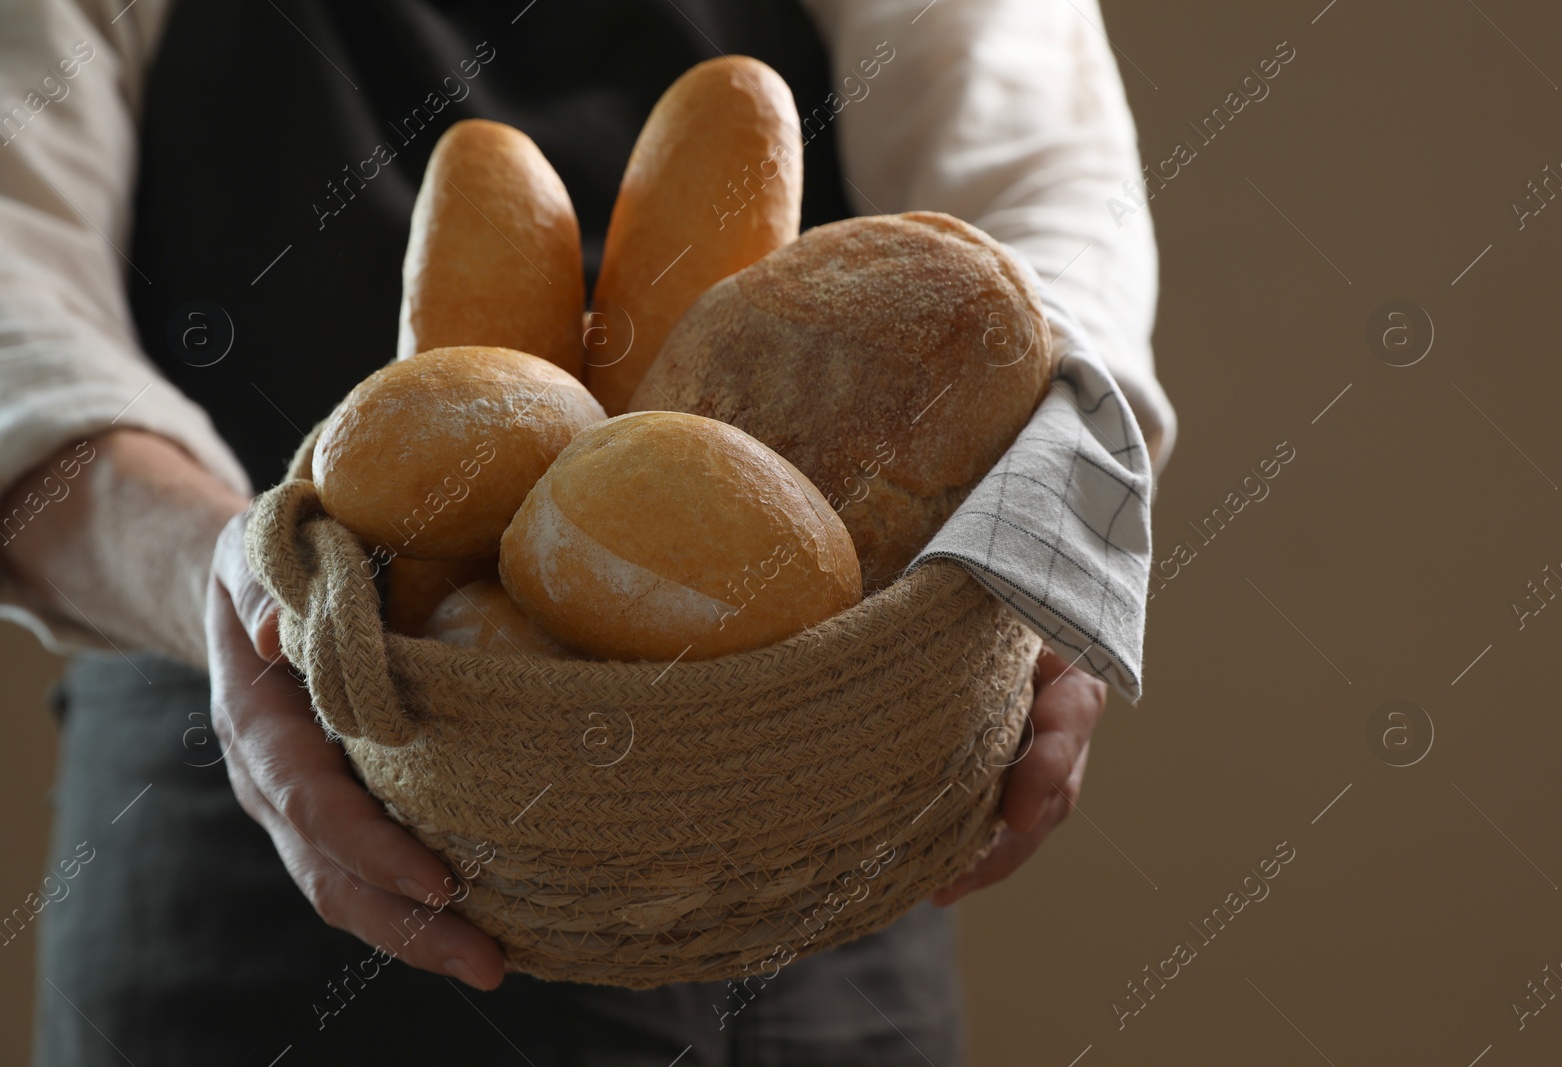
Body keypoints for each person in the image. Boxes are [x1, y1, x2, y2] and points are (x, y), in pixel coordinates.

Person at [0, 0, 1174, 1062]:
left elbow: (1044, 198)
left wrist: (1051, 531)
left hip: (816, 771)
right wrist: (238, 580)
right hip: (271, 741)